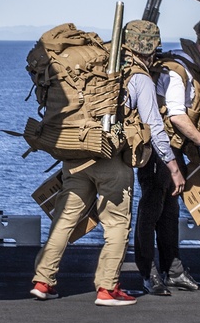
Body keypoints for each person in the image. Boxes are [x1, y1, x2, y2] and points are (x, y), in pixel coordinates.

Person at [30, 20, 170, 307]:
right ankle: (108, 288)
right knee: (117, 225)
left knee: (64, 220)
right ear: (150, 49)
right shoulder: (137, 77)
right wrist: (171, 164)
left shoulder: (95, 66)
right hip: (111, 159)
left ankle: (43, 280)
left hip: (77, 154)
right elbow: (155, 126)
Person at [135, 14, 200, 294]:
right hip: (158, 150)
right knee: (151, 211)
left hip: (172, 149)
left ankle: (173, 271)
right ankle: (148, 272)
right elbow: (178, 116)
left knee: (168, 212)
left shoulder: (188, 65)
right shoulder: (178, 70)